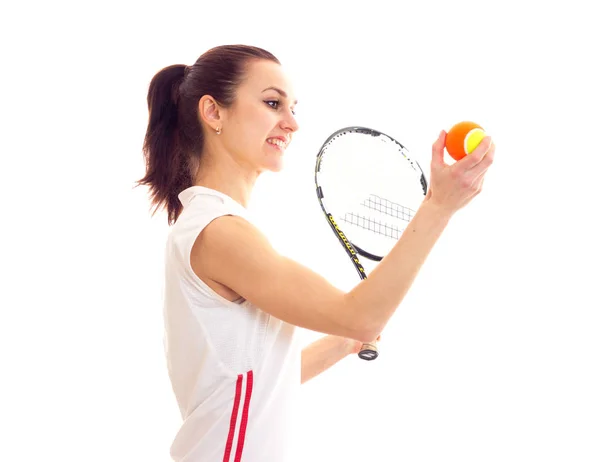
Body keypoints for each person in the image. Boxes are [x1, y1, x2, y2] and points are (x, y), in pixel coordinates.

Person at [137, 44, 495, 462]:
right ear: (213, 112)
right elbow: (362, 314)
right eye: (273, 103)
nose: (291, 123)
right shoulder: (218, 232)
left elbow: (255, 384)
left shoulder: (213, 223)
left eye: (292, 107)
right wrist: (438, 206)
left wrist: (343, 343)